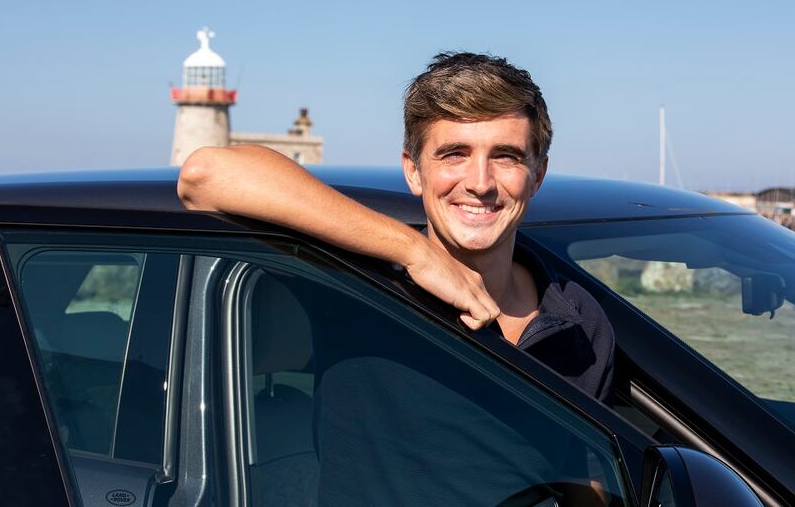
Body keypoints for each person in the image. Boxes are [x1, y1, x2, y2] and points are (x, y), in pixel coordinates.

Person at [177, 52, 613, 402]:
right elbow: (204, 175)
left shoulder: (578, 318)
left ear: (537, 175)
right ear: (413, 171)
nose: (480, 183)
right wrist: (414, 252)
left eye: (506, 156)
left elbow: (586, 480)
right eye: (454, 154)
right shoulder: (361, 286)